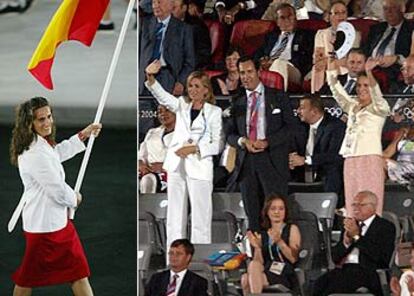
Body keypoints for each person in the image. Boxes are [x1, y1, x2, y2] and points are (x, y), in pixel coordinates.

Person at [8, 97, 102, 296]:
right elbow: (57, 189)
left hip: (54, 223)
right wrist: (74, 199)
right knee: (28, 278)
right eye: (40, 119)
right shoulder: (34, 153)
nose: (47, 122)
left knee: (78, 272)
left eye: (49, 116)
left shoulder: (39, 145)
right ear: (30, 124)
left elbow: (55, 154)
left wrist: (83, 135)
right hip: (44, 227)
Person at [145, 60, 223, 249]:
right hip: (176, 165)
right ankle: (173, 258)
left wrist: (195, 149)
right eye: (190, 86)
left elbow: (218, 143)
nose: (193, 90)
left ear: (206, 89)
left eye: (197, 86)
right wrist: (150, 77)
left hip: (199, 167)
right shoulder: (181, 105)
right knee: (174, 216)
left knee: (200, 217)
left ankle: (200, 259)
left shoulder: (214, 112)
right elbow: (163, 98)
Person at [226, 55, 296, 231]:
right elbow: (229, 134)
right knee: (253, 214)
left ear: (259, 72)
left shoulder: (278, 97)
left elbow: (291, 128)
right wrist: (243, 141)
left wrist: (267, 142)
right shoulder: (237, 102)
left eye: (249, 72)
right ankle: (257, 254)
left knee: (276, 214)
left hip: (272, 160)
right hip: (247, 162)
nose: (246, 76)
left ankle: (279, 252)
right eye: (242, 73)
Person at [327, 56, 390, 216]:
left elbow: (377, 95)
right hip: (351, 158)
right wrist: (330, 69)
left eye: (366, 85)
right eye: (359, 85)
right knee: (352, 202)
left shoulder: (379, 108)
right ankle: (352, 235)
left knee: (369, 203)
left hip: (369, 159)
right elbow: (338, 93)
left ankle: (371, 237)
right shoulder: (353, 107)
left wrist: (369, 72)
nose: (362, 89)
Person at [312, 191, 396, 296]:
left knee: (334, 287)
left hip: (369, 272)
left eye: (361, 204)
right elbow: (335, 258)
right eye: (354, 204)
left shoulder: (385, 226)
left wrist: (357, 236)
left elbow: (379, 257)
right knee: (319, 284)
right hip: (345, 269)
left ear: (373, 207)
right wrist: (346, 242)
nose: (356, 208)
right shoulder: (350, 225)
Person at [289, 96, 346, 207]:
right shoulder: (300, 127)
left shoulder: (336, 126)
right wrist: (291, 159)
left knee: (333, 170)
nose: (298, 111)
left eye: (302, 108)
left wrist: (305, 160)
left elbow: (335, 156)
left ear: (314, 111)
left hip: (326, 177)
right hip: (301, 176)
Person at [241, 194, 301, 295]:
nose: (277, 212)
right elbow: (259, 262)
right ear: (267, 212)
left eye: (281, 209)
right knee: (246, 276)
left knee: (246, 279)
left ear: (285, 212)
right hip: (267, 270)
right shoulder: (263, 233)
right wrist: (258, 248)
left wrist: (279, 241)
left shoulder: (292, 229)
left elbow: (293, 258)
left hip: (284, 272)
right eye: (273, 209)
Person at [139, 0, 195, 96]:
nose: (155, 6)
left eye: (159, 2)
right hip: (145, 78)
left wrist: (181, 82)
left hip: (169, 78)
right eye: (153, 3)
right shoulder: (144, 24)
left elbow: (190, 61)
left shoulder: (184, 29)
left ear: (171, 4)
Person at [254, 3, 314, 90]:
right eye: (282, 18)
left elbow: (307, 59)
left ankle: (279, 100)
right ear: (277, 22)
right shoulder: (271, 36)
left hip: (294, 70)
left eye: (290, 16)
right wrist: (261, 62)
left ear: (295, 18)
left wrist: (275, 62)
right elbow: (258, 53)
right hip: (268, 67)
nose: (287, 20)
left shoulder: (306, 35)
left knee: (279, 63)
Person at [311, 0, 361, 94]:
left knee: (331, 66)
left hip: (345, 68)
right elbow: (319, 58)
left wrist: (330, 61)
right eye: (336, 13)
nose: (341, 16)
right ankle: (316, 98)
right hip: (325, 68)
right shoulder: (321, 34)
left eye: (343, 12)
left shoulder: (355, 35)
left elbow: (352, 60)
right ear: (329, 16)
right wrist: (328, 61)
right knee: (317, 67)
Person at [363, 0, 414, 84]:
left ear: (402, 9)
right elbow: (365, 50)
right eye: (386, 8)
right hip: (370, 69)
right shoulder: (376, 29)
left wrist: (397, 59)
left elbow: (412, 59)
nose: (389, 12)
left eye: (393, 8)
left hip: (393, 73)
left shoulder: (410, 29)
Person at [139, 105, 176, 193]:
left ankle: (148, 206)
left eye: (167, 110)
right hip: (148, 170)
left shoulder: (186, 134)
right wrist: (141, 165)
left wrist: (164, 166)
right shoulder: (152, 132)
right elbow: (141, 155)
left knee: (148, 180)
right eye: (160, 111)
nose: (163, 114)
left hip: (171, 173)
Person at [171, 0, 212, 69]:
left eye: (173, 8)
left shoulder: (196, 27)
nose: (170, 11)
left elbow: (203, 55)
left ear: (184, 8)